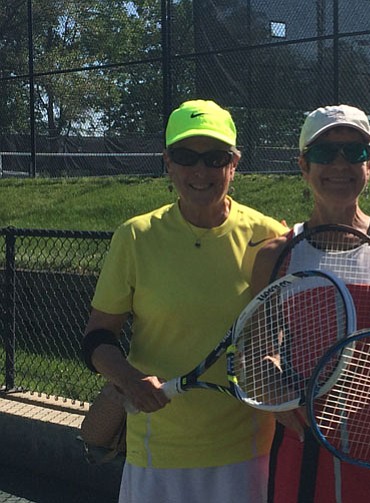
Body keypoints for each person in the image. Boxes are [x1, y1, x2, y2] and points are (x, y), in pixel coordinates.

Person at [80, 99, 287, 503]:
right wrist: (128, 380)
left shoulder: (269, 236)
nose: (200, 171)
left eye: (215, 158)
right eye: (185, 156)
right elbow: (97, 337)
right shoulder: (135, 236)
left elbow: (276, 336)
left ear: (234, 163)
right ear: (168, 162)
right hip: (157, 455)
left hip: (244, 457)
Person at [251, 104, 370, 503]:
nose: (340, 165)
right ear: (304, 166)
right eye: (325, 154)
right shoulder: (276, 255)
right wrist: (282, 402)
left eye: (355, 152)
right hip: (303, 453)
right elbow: (254, 353)